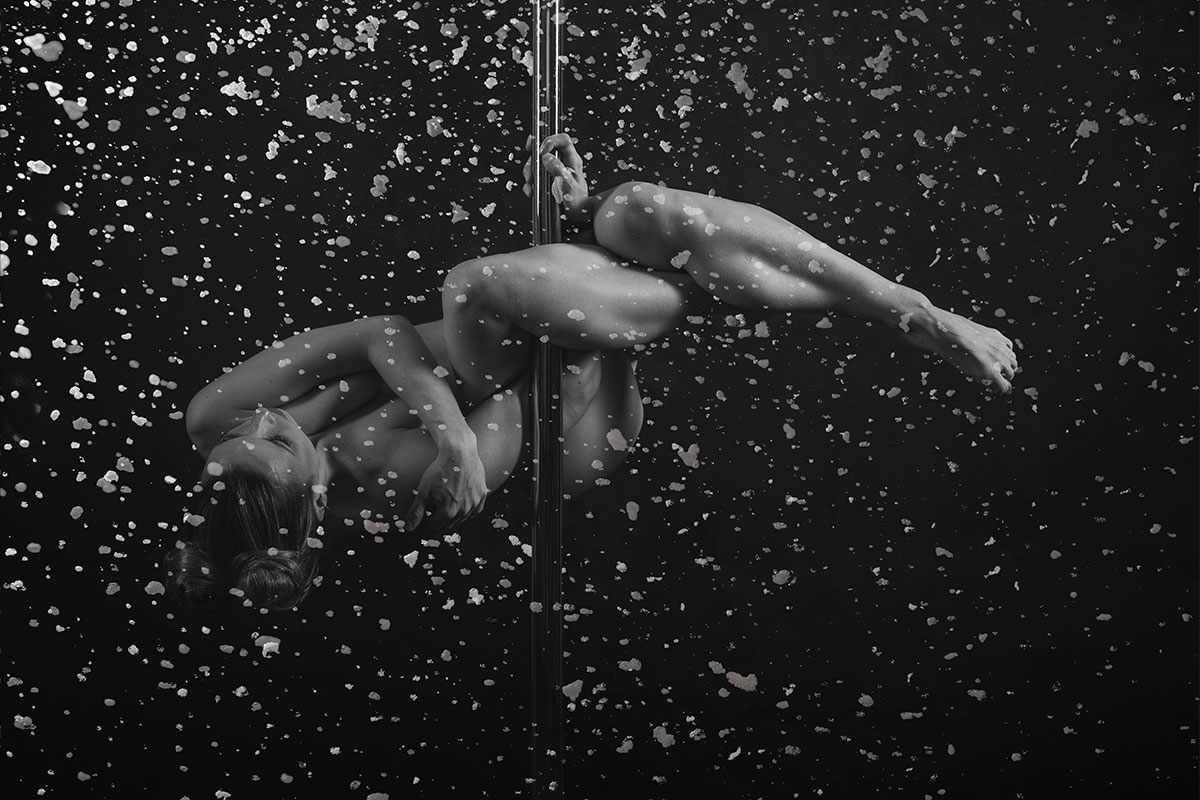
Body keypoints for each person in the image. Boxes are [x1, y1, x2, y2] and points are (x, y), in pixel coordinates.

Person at [165, 135, 1018, 612]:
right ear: (309, 503)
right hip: (574, 428)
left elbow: (383, 331)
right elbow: (533, 395)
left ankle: (898, 307)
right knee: (497, 283)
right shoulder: (389, 486)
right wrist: (561, 285)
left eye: (254, 430)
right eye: (278, 442)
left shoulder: (216, 421)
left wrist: (448, 422)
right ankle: (894, 306)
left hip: (516, 344)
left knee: (635, 213)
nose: (266, 421)